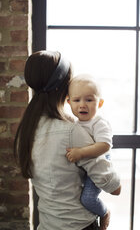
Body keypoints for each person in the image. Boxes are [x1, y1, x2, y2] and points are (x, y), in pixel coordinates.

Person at [14, 51, 121, 230]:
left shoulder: (26, 129)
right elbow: (114, 187)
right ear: (64, 88)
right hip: (78, 225)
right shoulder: (72, 131)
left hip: (47, 224)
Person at [66, 74, 117, 230]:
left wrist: (81, 153)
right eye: (76, 100)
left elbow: (104, 145)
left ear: (99, 103)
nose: (82, 105)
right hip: (85, 166)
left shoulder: (98, 123)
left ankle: (104, 212)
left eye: (89, 100)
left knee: (87, 199)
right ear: (68, 102)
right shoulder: (73, 122)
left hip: (99, 164)